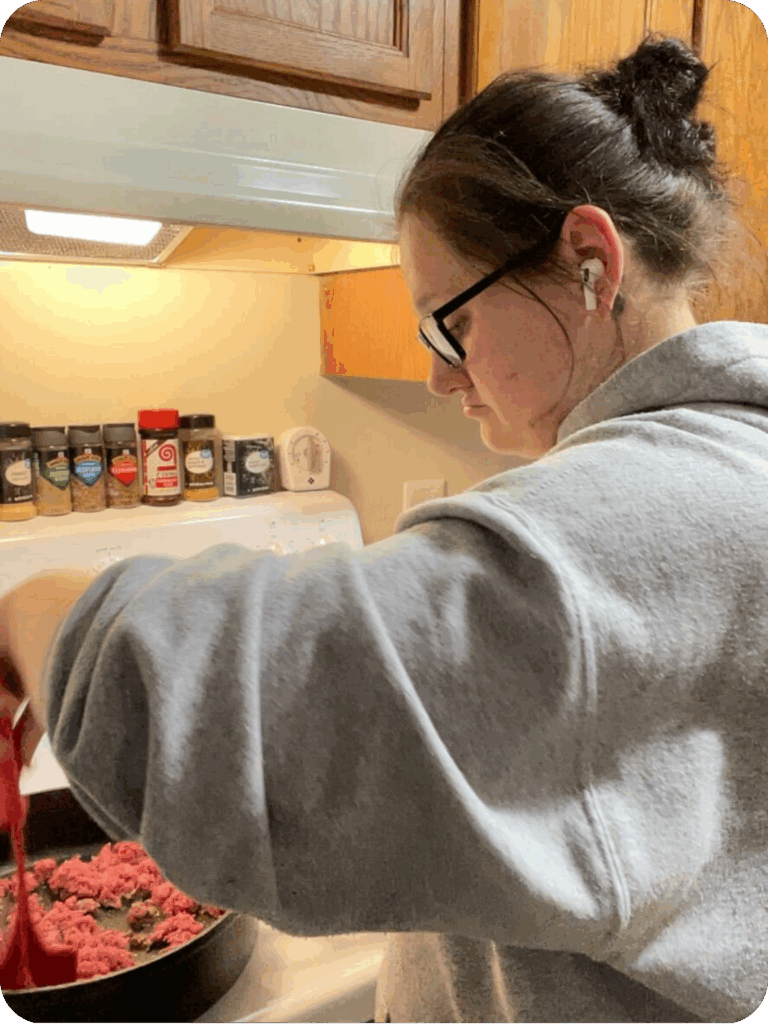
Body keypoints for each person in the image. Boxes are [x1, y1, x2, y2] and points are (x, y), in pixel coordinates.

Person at [1, 32, 767, 1023]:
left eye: (451, 323)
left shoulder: (636, 521)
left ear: (589, 263)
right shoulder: (736, 455)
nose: (440, 375)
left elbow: (249, 704)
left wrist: (33, 606)